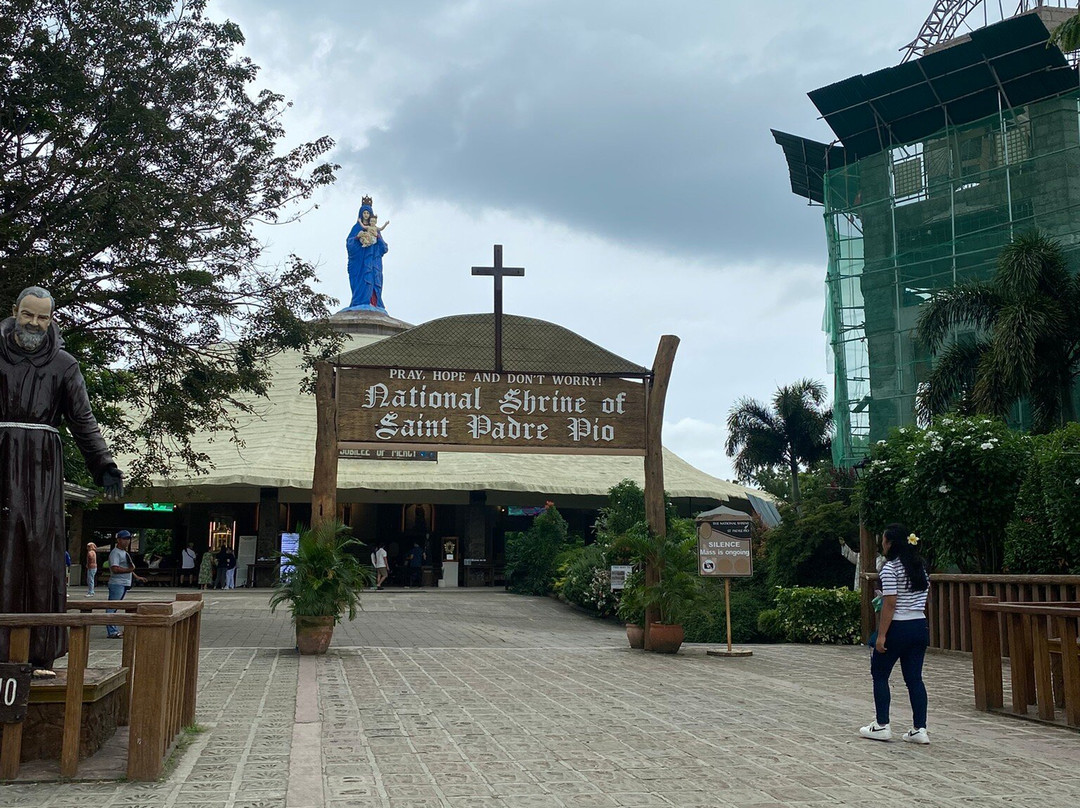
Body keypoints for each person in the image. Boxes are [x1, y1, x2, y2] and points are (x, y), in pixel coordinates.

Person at [1, 287, 123, 677]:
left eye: (42, 317)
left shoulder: (64, 364)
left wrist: (103, 463)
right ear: (14, 312)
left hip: (42, 467)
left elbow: (83, 421)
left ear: (52, 319)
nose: (34, 324)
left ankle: (38, 653)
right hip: (1, 459)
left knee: (40, 552)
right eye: (28, 315)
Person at [860, 523, 931, 744]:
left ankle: (882, 724)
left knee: (880, 673)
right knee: (914, 679)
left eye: (883, 540)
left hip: (898, 627)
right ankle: (920, 729)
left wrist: (881, 636)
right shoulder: (920, 568)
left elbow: (890, 604)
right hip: (919, 624)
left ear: (891, 543)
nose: (882, 544)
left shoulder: (890, 569)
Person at [345, 199, 390, 311]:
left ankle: (374, 303)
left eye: (368, 213)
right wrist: (357, 238)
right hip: (360, 263)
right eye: (364, 213)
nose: (366, 215)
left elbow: (384, 248)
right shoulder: (356, 228)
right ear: (361, 214)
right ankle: (360, 301)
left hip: (373, 263)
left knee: (372, 280)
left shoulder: (375, 229)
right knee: (362, 281)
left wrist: (377, 237)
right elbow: (349, 244)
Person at [106, 531, 145, 639]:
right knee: (112, 607)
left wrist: (136, 576)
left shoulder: (124, 553)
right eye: (124, 538)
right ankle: (112, 631)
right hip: (117, 583)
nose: (127, 540)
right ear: (118, 540)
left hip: (123, 583)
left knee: (115, 606)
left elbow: (129, 568)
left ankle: (113, 629)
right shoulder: (116, 553)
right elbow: (115, 568)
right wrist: (129, 570)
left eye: (128, 538)